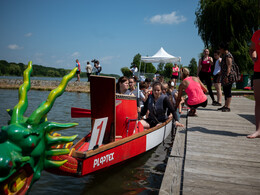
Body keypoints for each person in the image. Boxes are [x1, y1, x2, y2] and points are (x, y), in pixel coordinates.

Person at [247, 30, 260, 138]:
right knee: (258, 101)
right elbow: (252, 49)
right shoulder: (257, 34)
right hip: (258, 70)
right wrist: (254, 57)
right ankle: (258, 130)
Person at [218, 42, 238, 112]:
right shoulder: (225, 55)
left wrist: (227, 76)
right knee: (225, 90)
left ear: (223, 48)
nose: (219, 50)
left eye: (220, 48)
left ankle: (228, 106)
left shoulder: (228, 56)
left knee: (228, 90)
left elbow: (229, 67)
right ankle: (225, 105)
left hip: (228, 75)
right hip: (224, 75)